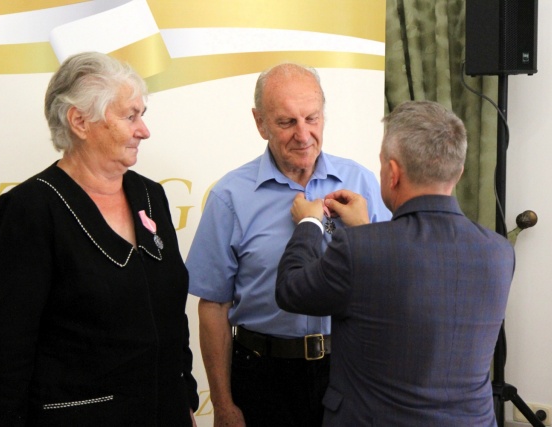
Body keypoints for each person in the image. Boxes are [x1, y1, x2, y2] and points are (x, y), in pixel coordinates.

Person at [0, 52, 199, 426]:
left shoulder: (150, 196)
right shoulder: (29, 209)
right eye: (130, 116)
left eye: (142, 114)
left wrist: (186, 400)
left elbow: (172, 317)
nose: (144, 130)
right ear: (80, 121)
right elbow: (3, 348)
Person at [276, 100, 515, 426]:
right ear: (458, 172)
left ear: (393, 172)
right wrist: (364, 231)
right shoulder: (500, 252)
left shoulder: (359, 250)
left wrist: (309, 224)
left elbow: (290, 290)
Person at [185, 63, 391, 427]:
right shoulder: (230, 196)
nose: (303, 134)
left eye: (312, 118)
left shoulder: (361, 182)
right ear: (260, 123)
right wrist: (223, 404)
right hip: (263, 375)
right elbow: (214, 305)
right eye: (286, 122)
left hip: (346, 371)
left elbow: (390, 284)